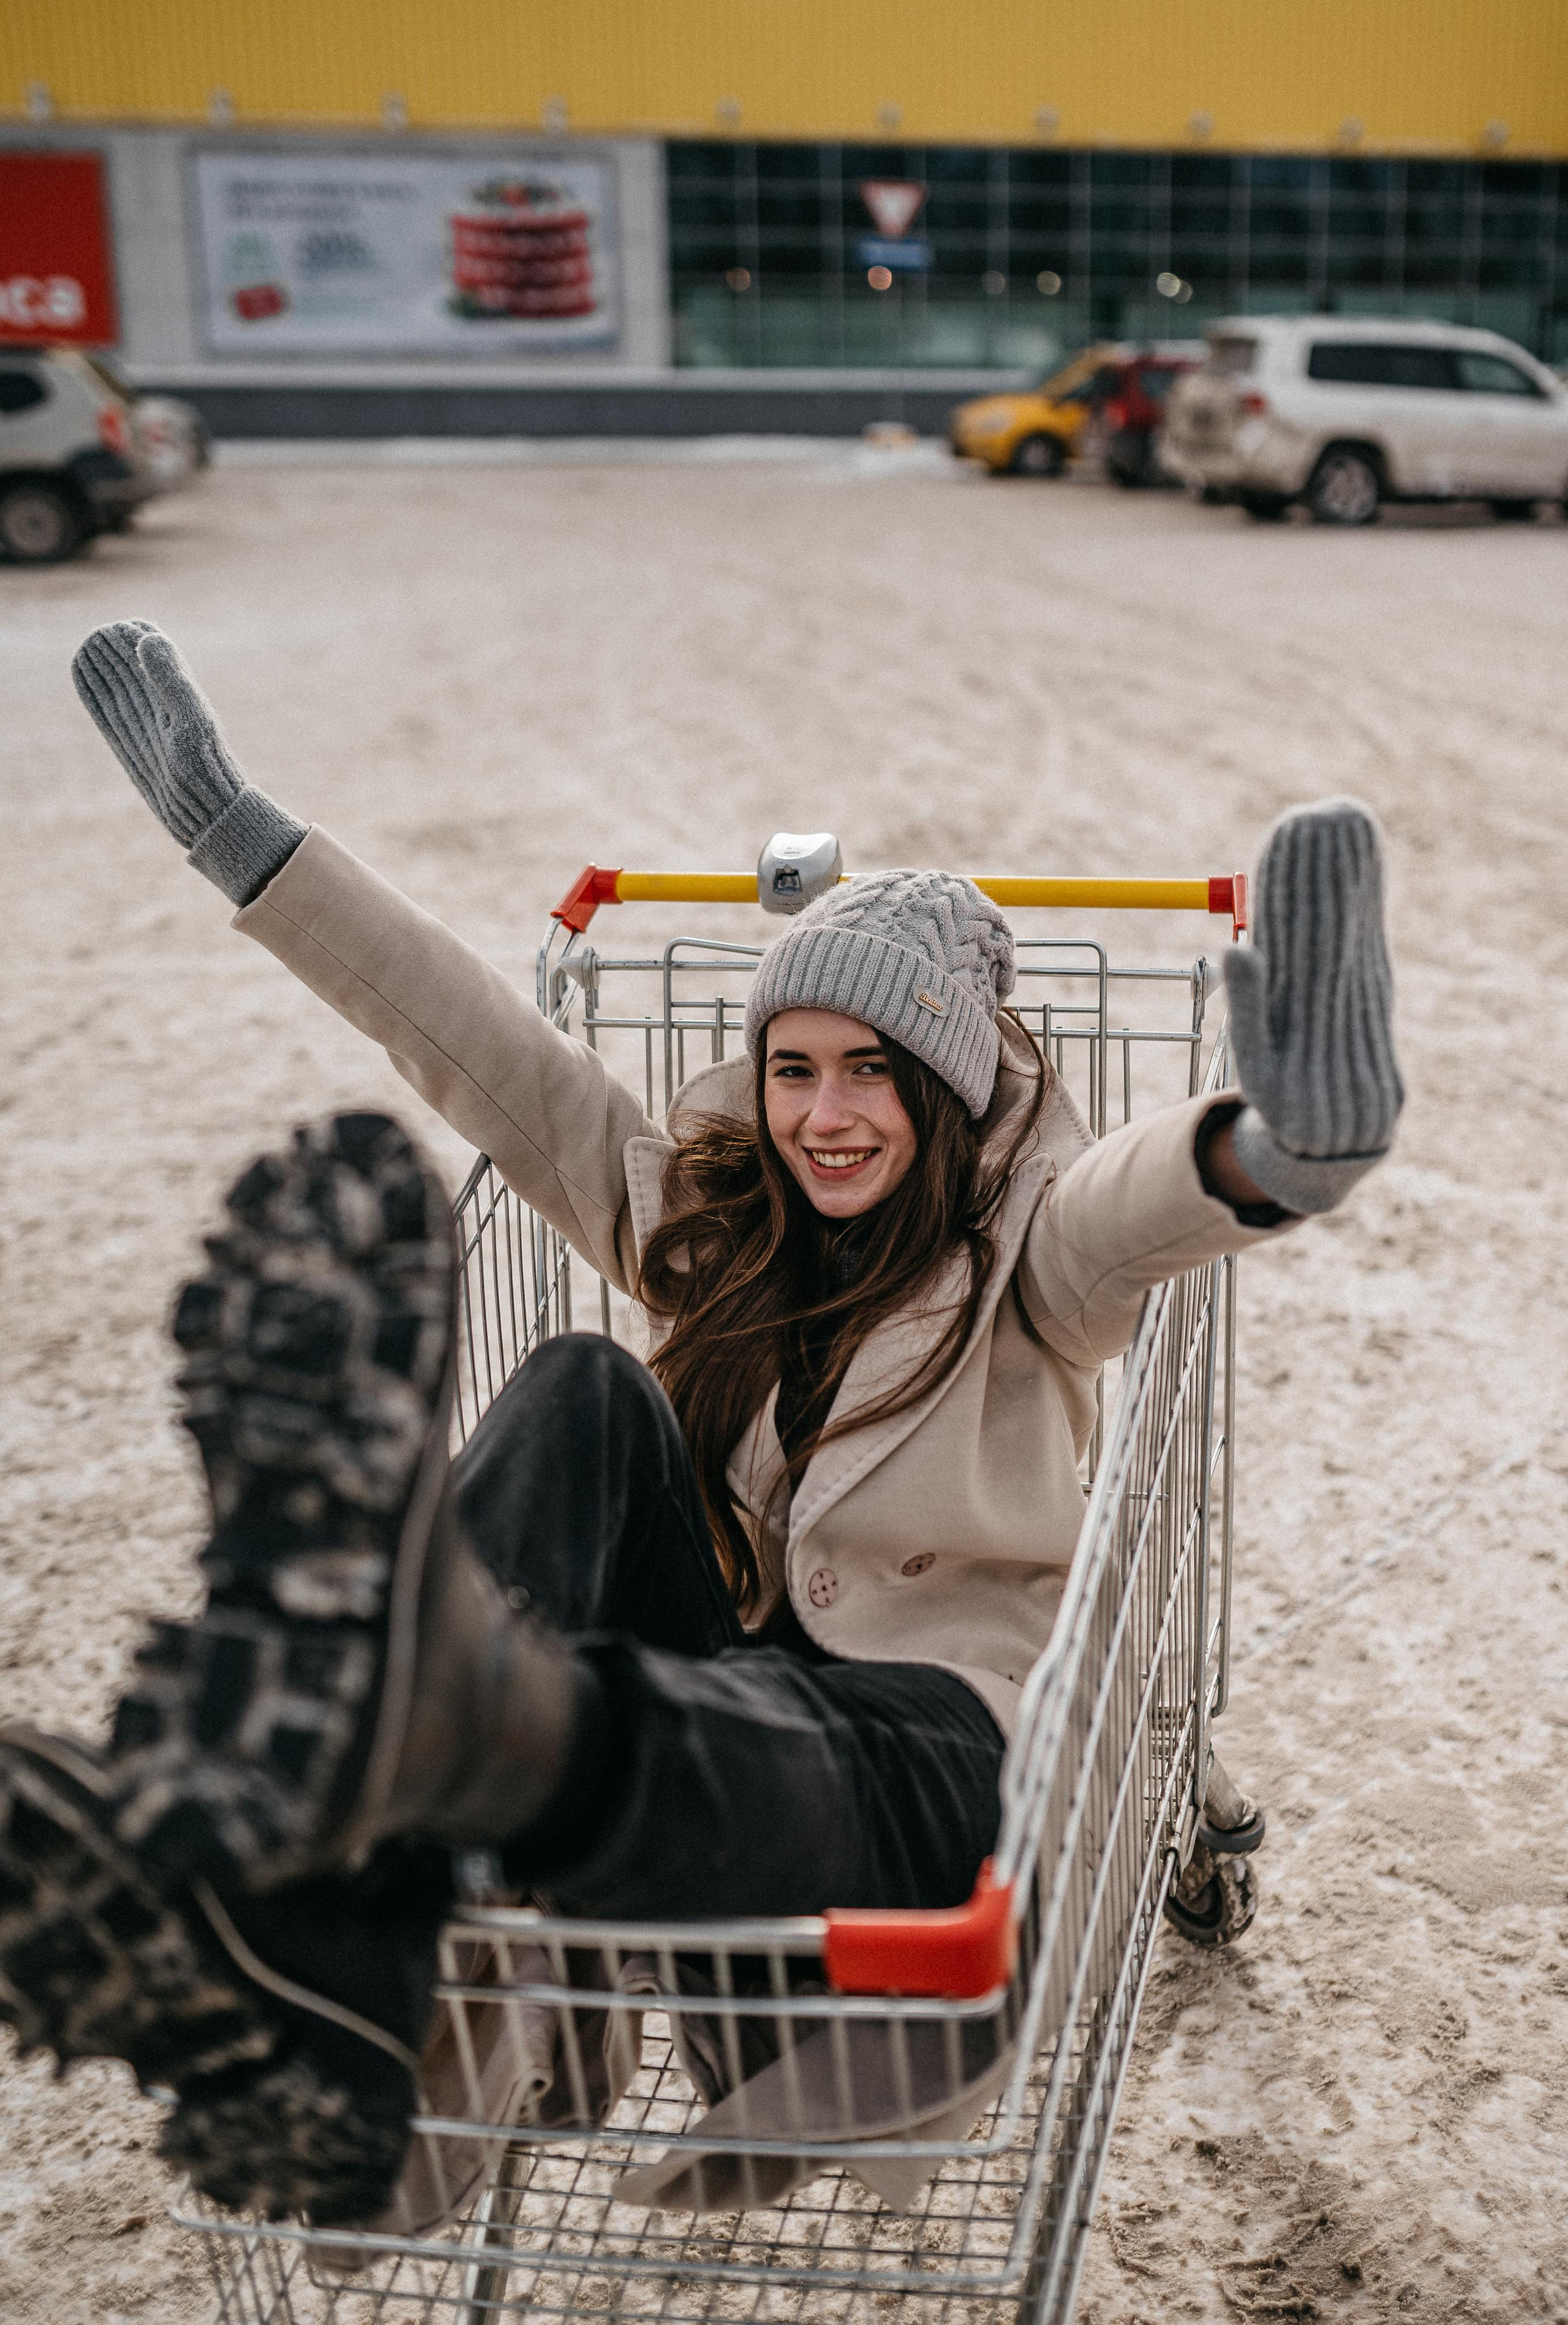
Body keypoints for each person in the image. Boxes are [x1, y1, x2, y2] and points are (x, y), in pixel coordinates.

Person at [0, 621, 1403, 2226]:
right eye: (793, 1067)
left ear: (945, 1097)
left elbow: (1136, 1201)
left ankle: (437, 1774)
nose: (822, 1115)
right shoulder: (705, 1223)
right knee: (588, 1391)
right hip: (715, 1854)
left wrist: (1275, 1151)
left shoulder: (1031, 1254)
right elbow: (483, 1058)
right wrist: (245, 841)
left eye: (872, 1075)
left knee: (751, 1724)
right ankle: (358, 1898)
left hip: (918, 1826)